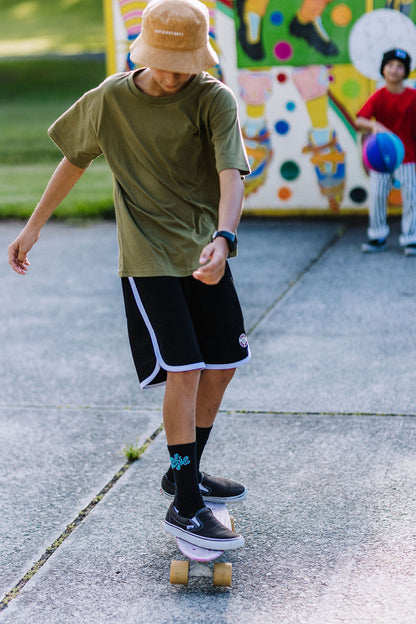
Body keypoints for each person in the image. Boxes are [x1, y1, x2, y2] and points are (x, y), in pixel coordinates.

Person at [8, 0, 251, 550]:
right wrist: (33, 227)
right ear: (145, 52)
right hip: (148, 259)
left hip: (203, 252)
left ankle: (182, 473)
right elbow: (74, 158)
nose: (174, 74)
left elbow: (231, 175)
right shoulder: (111, 98)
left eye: (184, 62)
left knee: (224, 364)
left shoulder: (213, 98)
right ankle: (186, 504)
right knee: (184, 369)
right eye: (165, 62)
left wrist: (224, 237)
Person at [356, 48, 416, 256]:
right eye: (390, 65)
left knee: (411, 196)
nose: (394, 70)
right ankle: (377, 235)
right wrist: (376, 126)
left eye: (400, 67)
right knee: (378, 195)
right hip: (380, 158)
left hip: (408, 156)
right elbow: (359, 119)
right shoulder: (379, 96)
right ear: (383, 69)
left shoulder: (412, 96)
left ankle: (410, 238)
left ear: (405, 71)